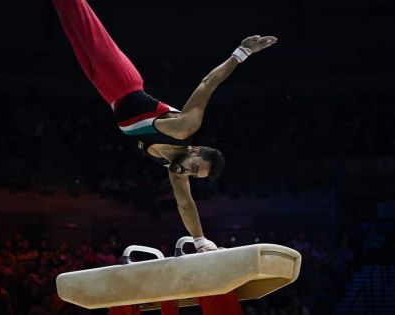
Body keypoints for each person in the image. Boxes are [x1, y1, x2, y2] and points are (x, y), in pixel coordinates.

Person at [52, 0, 278, 252]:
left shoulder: (173, 168)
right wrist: (240, 54)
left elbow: (185, 203)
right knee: (80, 17)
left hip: (108, 94)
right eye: (194, 168)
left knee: (68, 23)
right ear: (195, 150)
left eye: (194, 175)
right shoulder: (183, 129)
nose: (188, 173)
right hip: (124, 82)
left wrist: (200, 241)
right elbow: (207, 84)